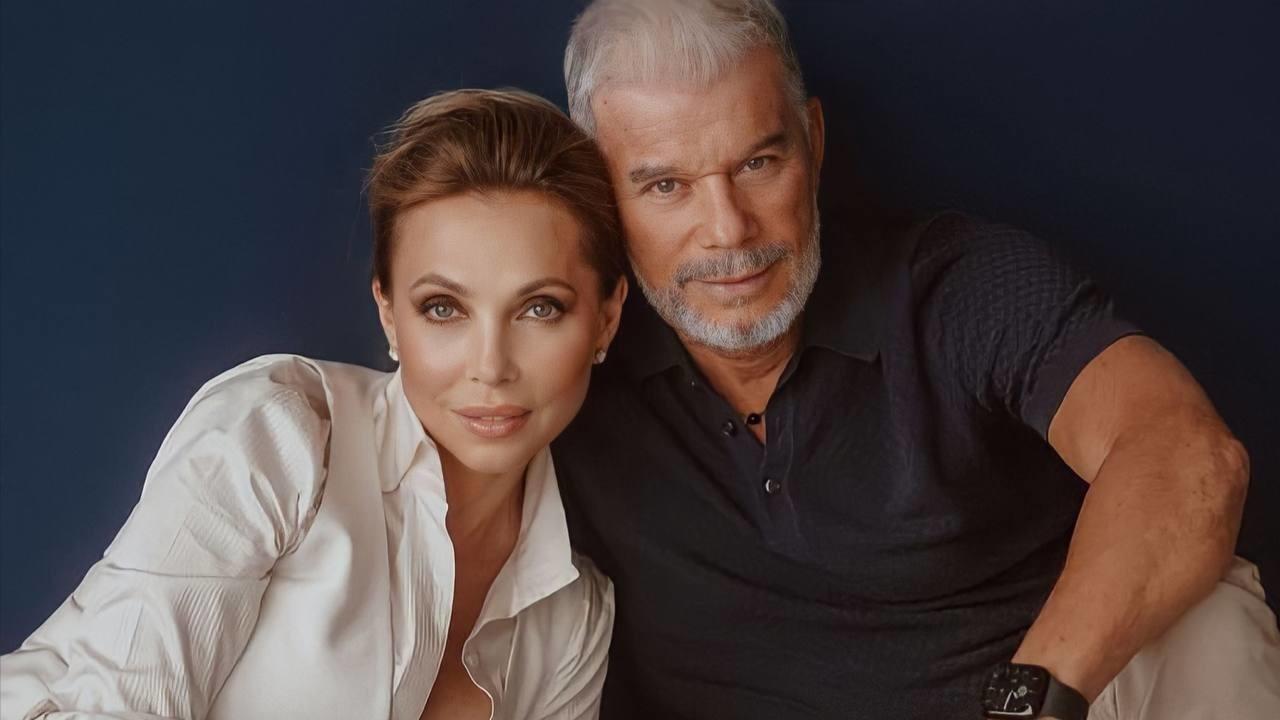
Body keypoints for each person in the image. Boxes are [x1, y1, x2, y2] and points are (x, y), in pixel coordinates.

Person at [549, 1, 1280, 718]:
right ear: (600, 196)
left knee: (1207, 619)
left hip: (1043, 701)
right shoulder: (565, 359)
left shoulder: (959, 287)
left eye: (759, 162)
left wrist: (1032, 702)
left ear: (813, 142)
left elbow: (1187, 453)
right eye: (667, 186)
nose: (728, 230)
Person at [0, 89, 628, 720]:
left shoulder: (573, 618)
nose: (490, 367)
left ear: (606, 318)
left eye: (539, 309)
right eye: (443, 309)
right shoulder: (277, 435)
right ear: (389, 314)